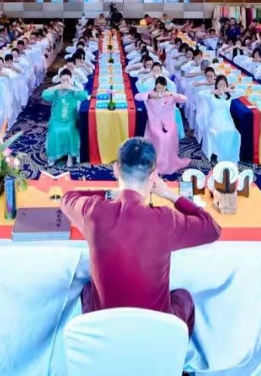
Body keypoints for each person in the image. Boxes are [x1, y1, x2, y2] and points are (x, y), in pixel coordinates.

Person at [60, 138, 221, 335]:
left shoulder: (93, 211)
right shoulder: (165, 219)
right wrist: (171, 195)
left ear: (116, 169)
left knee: (87, 289)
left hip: (105, 326)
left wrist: (110, 193)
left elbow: (68, 198)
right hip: (155, 330)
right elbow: (212, 228)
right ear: (154, 175)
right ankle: (174, 349)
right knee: (183, 297)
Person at [134, 76, 189, 175]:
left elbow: (185, 99)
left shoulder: (170, 95)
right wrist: (150, 96)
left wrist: (172, 94)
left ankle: (168, 162)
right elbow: (137, 96)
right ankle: (157, 162)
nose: (160, 90)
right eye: (158, 87)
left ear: (165, 87)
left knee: (168, 136)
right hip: (154, 123)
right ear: (155, 86)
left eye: (162, 88)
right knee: (161, 137)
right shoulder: (151, 94)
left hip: (169, 123)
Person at [41, 69, 89, 167]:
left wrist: (72, 88)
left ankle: (70, 156)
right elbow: (44, 95)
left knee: (69, 129)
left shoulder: (74, 90)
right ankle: (53, 156)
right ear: (60, 80)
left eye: (67, 80)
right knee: (54, 130)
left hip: (71, 118)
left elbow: (84, 95)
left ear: (71, 79)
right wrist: (56, 87)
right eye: (63, 80)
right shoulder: (56, 91)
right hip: (56, 118)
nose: (65, 82)